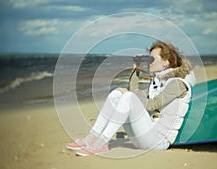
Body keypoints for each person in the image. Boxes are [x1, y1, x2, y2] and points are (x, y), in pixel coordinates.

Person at [66, 41, 196, 156]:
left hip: (159, 140)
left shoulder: (178, 83)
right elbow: (136, 95)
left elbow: (151, 105)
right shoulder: (157, 82)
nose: (148, 62)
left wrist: (130, 94)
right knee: (116, 94)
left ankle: (101, 143)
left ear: (166, 63)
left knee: (128, 96)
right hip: (145, 136)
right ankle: (91, 138)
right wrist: (136, 71)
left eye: (152, 59)